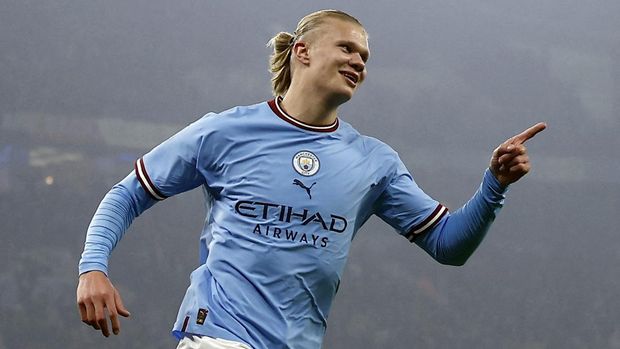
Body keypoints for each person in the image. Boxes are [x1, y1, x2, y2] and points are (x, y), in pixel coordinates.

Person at [77, 9, 546, 349]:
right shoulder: (224, 131)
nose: (359, 61)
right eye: (347, 47)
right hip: (219, 337)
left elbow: (448, 245)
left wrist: (494, 185)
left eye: (365, 55)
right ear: (302, 52)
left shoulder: (374, 161)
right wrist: (92, 267)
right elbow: (128, 194)